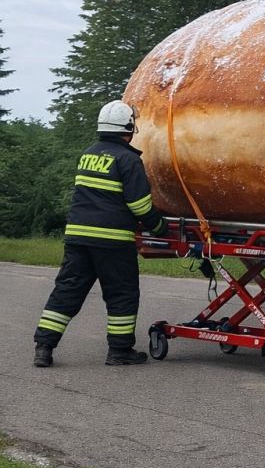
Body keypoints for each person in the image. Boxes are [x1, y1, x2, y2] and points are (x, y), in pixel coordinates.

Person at [33, 100, 168, 368]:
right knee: (121, 294)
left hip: (77, 237)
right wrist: (160, 227)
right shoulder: (128, 159)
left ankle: (43, 347)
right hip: (112, 240)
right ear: (128, 128)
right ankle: (119, 352)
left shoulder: (88, 153)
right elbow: (139, 204)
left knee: (67, 291)